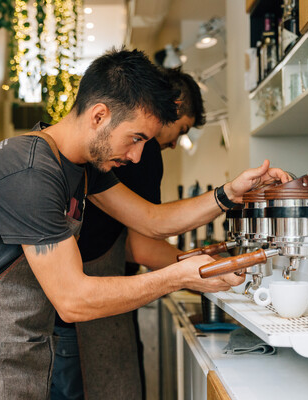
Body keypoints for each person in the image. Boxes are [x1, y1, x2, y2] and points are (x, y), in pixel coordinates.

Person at [0, 48, 289, 400]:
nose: (135, 156)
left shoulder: (81, 167)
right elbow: (72, 299)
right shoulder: (29, 170)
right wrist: (178, 276)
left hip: (23, 352)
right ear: (99, 115)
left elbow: (151, 220)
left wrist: (230, 193)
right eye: (135, 139)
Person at [50, 67, 207, 400]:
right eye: (181, 129)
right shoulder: (140, 155)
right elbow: (143, 245)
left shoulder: (107, 160)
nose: (176, 144)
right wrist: (203, 269)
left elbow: (151, 221)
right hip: (84, 315)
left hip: (81, 314)